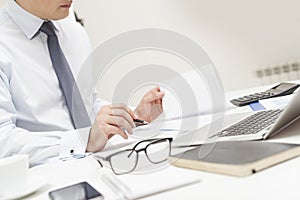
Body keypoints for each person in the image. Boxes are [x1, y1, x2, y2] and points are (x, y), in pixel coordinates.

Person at [0, 0, 165, 165]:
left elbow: (86, 106)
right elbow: (4, 142)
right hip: (44, 177)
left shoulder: (74, 32)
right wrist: (83, 141)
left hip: (98, 165)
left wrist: (132, 117)